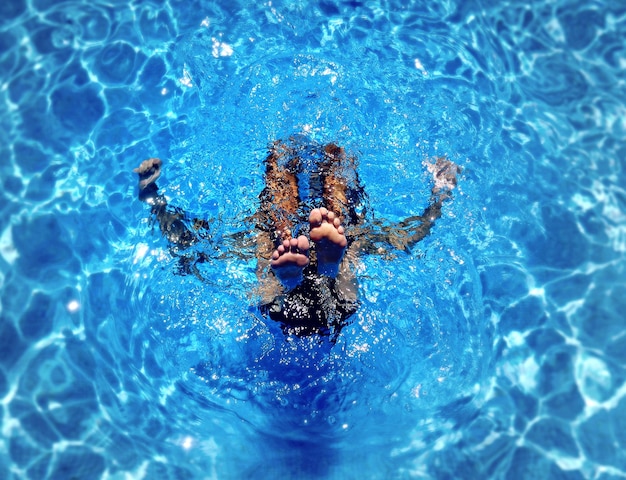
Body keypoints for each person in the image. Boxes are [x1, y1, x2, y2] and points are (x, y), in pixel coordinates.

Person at [134, 136, 461, 340]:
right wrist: (440, 194)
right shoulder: (346, 224)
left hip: (277, 308)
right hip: (340, 308)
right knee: (347, 222)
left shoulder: (261, 226)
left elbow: (187, 241)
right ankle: (330, 269)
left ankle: (288, 277)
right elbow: (409, 236)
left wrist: (152, 196)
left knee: (271, 231)